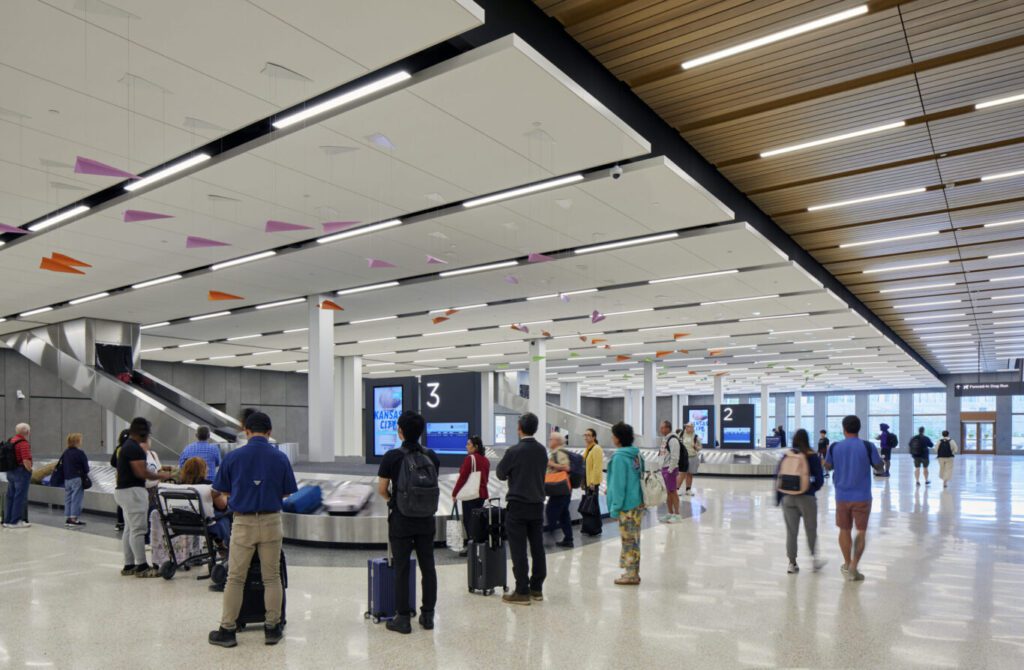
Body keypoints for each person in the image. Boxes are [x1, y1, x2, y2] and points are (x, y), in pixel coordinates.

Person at [209, 411, 297, 648]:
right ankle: (272, 628)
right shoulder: (280, 458)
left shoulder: (233, 457)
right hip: (271, 521)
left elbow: (219, 490)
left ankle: (227, 630)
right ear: (269, 433)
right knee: (272, 577)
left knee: (235, 578)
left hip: (243, 522)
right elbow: (287, 492)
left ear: (246, 431)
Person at [376, 411, 440, 635]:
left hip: (402, 520)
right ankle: (428, 616)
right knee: (428, 567)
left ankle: (402, 619)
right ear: (421, 431)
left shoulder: (392, 457)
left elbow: (382, 490)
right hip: (426, 520)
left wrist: (393, 502)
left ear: (400, 431)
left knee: (402, 568)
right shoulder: (432, 456)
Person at [496, 412, 549, 605]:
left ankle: (522, 590)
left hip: (518, 506)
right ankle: (537, 588)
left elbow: (501, 473)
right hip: (537, 504)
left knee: (518, 549)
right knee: (537, 547)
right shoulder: (542, 451)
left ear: (519, 428)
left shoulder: (514, 451)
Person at [824, 415, 883, 582]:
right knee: (861, 531)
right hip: (863, 496)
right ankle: (854, 566)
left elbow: (827, 467)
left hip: (842, 496)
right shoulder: (867, 446)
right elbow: (879, 467)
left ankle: (846, 562)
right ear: (859, 428)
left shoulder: (835, 447)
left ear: (844, 428)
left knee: (844, 530)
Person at [115, 418, 173, 577]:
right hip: (133, 492)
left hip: (122, 492)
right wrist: (162, 475)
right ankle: (141, 566)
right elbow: (142, 473)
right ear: (143, 433)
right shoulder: (135, 449)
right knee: (139, 530)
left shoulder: (126, 446)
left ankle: (129, 565)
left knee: (129, 529)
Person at [776, 429, 827, 574]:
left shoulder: (786, 455)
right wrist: (811, 489)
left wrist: (779, 497)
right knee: (811, 529)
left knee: (791, 532)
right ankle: (814, 561)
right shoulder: (811, 456)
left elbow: (778, 475)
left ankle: (792, 563)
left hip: (787, 497)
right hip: (807, 497)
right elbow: (819, 478)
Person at [606, 422, 644, 586]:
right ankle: (633, 570)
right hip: (637, 503)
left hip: (626, 506)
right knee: (634, 538)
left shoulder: (620, 457)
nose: (612, 437)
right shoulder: (636, 454)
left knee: (628, 539)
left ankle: (631, 575)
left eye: (613, 435)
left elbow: (619, 485)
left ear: (618, 438)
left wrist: (615, 509)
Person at [451, 435, 489, 557]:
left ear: (475, 446)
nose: (466, 446)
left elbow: (463, 478)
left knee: (469, 521)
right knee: (477, 520)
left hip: (471, 494)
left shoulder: (469, 459)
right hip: (482, 494)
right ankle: (478, 545)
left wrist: (455, 493)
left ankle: (472, 547)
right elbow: (486, 478)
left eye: (468, 444)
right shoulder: (485, 460)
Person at [543, 431, 573, 548]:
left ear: (557, 441)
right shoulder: (556, 452)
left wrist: (551, 464)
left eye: (551, 439)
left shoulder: (559, 452)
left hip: (560, 489)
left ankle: (550, 537)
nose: (549, 441)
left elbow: (567, 467)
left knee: (551, 511)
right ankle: (568, 539)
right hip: (564, 490)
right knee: (564, 514)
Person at [3, 423, 33, 529]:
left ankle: (7, 520)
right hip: (21, 472)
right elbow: (26, 459)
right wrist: (30, 470)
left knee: (10, 496)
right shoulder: (23, 443)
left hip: (10, 471)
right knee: (20, 497)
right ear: (26, 432)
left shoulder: (11, 440)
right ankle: (15, 521)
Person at [60, 433, 90, 528]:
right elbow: (86, 468)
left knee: (68, 498)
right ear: (77, 441)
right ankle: (74, 519)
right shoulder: (80, 453)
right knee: (76, 498)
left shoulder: (66, 452)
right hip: (77, 478)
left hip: (67, 479)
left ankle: (68, 517)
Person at [658, 420, 685, 523]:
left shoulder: (673, 440)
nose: (661, 429)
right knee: (668, 492)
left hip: (670, 469)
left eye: (662, 427)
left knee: (673, 491)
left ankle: (677, 514)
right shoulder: (665, 439)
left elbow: (675, 456)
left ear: (667, 428)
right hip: (665, 468)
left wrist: (670, 470)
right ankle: (669, 513)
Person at [581, 428, 604, 535]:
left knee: (593, 504)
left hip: (592, 482)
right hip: (587, 480)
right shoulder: (588, 449)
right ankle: (588, 526)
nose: (586, 437)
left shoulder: (596, 448)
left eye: (588, 435)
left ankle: (596, 528)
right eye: (585, 435)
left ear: (594, 437)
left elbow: (597, 467)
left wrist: (593, 482)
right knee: (590, 504)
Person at [111, 428, 130, 532]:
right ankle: (127, 522)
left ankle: (120, 522)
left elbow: (112, 462)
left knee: (121, 501)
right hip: (129, 479)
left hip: (119, 478)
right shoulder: (131, 448)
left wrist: (119, 466)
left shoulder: (118, 448)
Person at [680, 423, 702, 496]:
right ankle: (677, 488)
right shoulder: (681, 435)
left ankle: (688, 489)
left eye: (690, 427)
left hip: (692, 457)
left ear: (693, 428)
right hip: (683, 457)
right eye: (687, 426)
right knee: (681, 474)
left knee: (689, 474)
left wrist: (696, 447)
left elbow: (700, 448)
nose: (688, 428)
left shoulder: (696, 437)